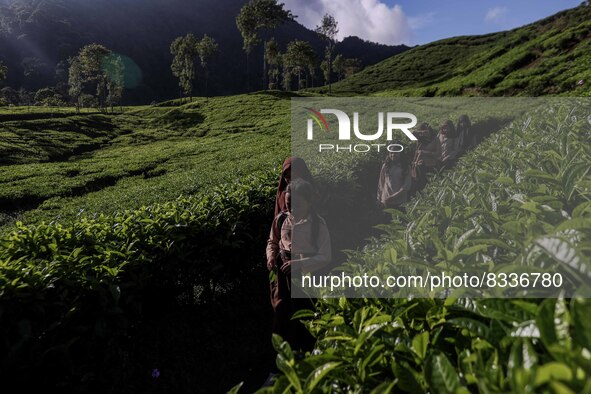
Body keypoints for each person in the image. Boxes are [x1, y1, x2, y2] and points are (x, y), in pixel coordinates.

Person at [266, 179, 331, 352]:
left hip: (307, 276)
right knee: (282, 313)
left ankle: (308, 354)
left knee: (306, 314)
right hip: (283, 274)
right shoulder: (281, 219)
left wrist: (299, 263)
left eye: (298, 205)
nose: (292, 210)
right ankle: (282, 359)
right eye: (288, 205)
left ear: (309, 202)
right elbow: (272, 241)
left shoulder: (318, 224)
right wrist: (271, 257)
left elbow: (325, 256)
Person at [377, 144, 412, 209]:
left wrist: (393, 197)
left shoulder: (405, 168)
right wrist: (379, 198)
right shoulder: (386, 166)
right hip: (386, 200)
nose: (393, 155)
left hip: (399, 202)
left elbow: (406, 187)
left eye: (396, 153)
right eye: (391, 153)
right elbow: (381, 183)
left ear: (400, 154)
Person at [410, 123, 441, 195]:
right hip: (419, 164)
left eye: (426, 131)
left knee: (429, 183)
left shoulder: (435, 139)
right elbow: (410, 132)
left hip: (431, 165)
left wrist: (426, 153)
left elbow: (439, 153)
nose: (424, 133)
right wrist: (420, 132)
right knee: (419, 184)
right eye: (422, 131)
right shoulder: (421, 139)